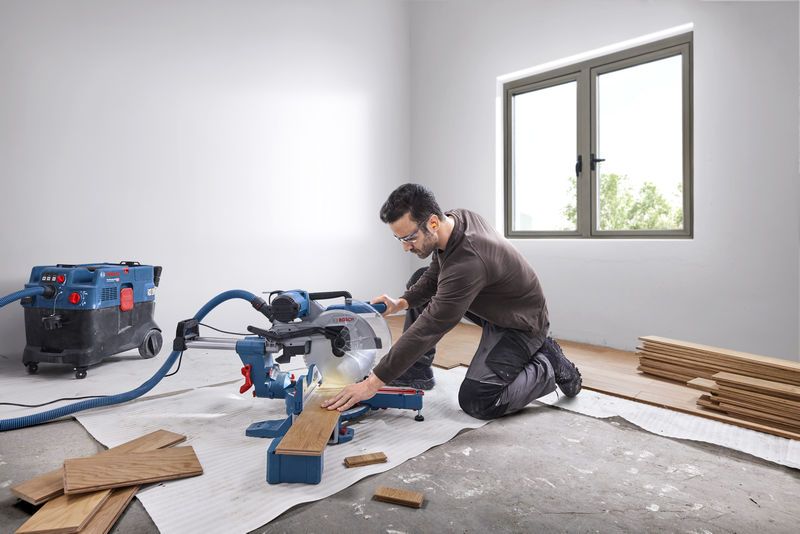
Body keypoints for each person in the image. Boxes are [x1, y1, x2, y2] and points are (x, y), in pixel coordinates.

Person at [323, 183, 582, 420]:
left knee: (478, 401)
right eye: (399, 239)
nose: (405, 247)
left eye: (409, 238)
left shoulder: (468, 262)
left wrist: (371, 384)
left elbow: (430, 327)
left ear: (433, 223)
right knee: (419, 277)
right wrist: (401, 303)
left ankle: (548, 363)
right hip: (499, 306)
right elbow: (435, 275)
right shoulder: (456, 220)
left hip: (522, 325)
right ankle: (417, 372)